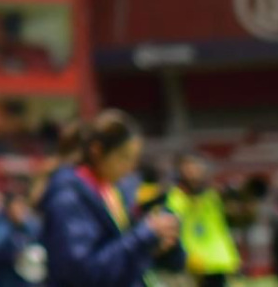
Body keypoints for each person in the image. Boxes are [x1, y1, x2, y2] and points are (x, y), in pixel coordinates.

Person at [41, 110, 186, 287]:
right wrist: (145, 234)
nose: (130, 167)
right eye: (124, 157)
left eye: (134, 159)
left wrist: (155, 246)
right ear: (97, 151)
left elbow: (120, 257)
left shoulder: (112, 191)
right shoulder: (68, 197)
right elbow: (82, 274)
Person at [167, 153, 241, 286]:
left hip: (218, 260)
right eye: (188, 168)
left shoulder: (213, 195)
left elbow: (235, 215)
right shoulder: (174, 197)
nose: (192, 173)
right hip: (191, 262)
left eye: (195, 168)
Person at [0, 190, 42, 287]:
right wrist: (14, 252)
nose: (21, 210)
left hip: (25, 280)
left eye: (22, 206)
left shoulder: (29, 225)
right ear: (8, 207)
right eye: (17, 206)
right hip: (2, 279)